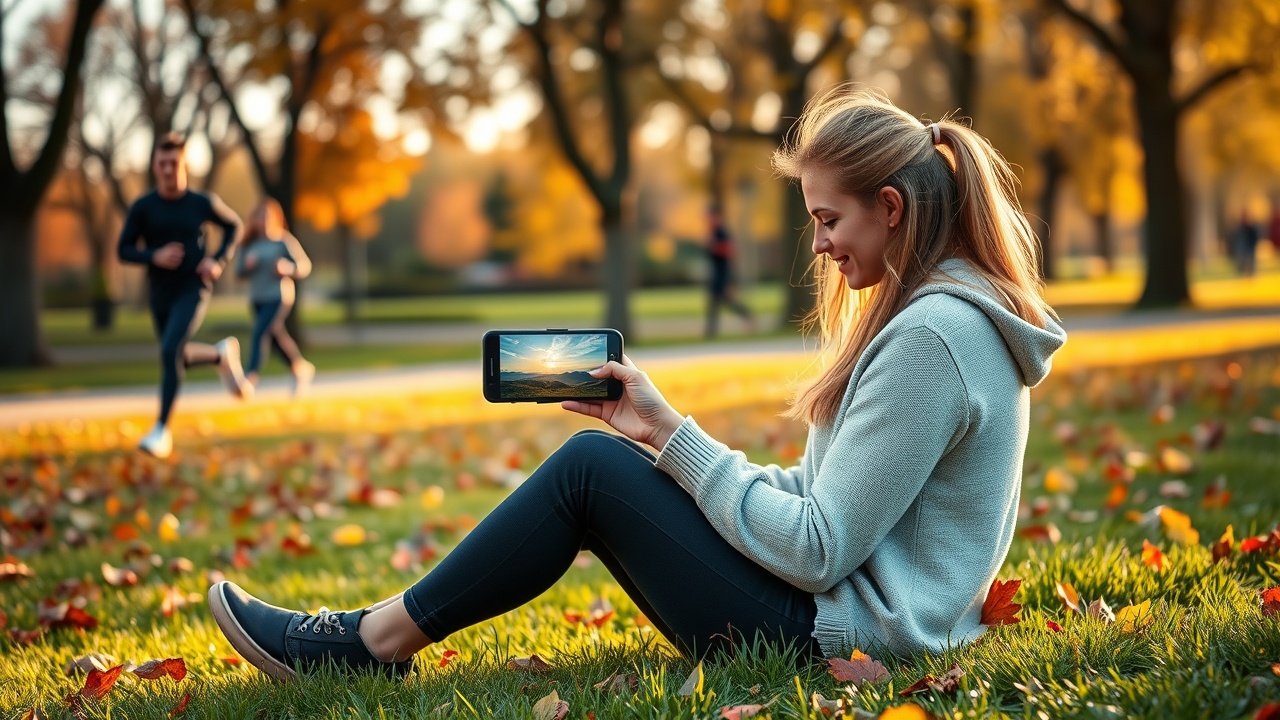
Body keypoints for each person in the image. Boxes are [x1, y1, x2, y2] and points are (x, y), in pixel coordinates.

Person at [207, 87, 1067, 679]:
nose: (819, 246)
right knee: (611, 466)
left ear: (891, 207)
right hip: (848, 619)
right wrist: (665, 433)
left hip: (841, 640)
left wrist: (670, 441)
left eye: (828, 219)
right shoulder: (937, 321)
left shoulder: (935, 340)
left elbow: (816, 546)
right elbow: (821, 504)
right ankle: (373, 637)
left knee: (591, 470)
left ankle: (369, 643)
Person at [117, 132, 251, 459]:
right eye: (162, 163)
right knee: (172, 354)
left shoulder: (200, 203)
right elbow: (123, 250)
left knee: (169, 350)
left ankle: (161, 430)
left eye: (174, 163)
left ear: (184, 164)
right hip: (160, 291)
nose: (167, 169)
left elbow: (235, 227)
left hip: (193, 288)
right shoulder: (144, 207)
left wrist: (217, 260)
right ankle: (219, 357)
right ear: (154, 165)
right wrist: (154, 256)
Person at [236, 197, 315, 395]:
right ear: (254, 219)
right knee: (275, 337)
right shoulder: (248, 244)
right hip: (257, 298)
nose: (264, 220)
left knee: (260, 332)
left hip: (279, 296)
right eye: (260, 216)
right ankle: (300, 368)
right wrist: (248, 266)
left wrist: (287, 268)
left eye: (268, 216)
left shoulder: (283, 241)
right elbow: (239, 272)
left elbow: (304, 266)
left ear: (276, 219)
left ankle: (250, 377)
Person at [705, 204, 756, 339]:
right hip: (716, 272)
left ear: (716, 217)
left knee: (724, 300)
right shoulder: (713, 232)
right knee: (714, 300)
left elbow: (729, 250)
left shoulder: (721, 232)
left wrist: (712, 246)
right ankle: (711, 332)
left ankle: (746, 315)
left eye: (709, 216)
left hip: (723, 272)